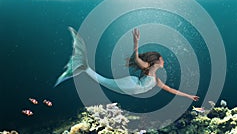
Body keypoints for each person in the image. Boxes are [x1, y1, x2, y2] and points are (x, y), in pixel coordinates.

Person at [55, 27, 199, 101]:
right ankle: (83, 66)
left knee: (102, 80)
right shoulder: (147, 69)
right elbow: (136, 58)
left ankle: (83, 66)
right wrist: (136, 42)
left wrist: (189, 96)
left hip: (131, 89)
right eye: (161, 59)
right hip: (131, 85)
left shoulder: (156, 79)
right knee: (102, 80)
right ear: (154, 61)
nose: (164, 61)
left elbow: (170, 89)